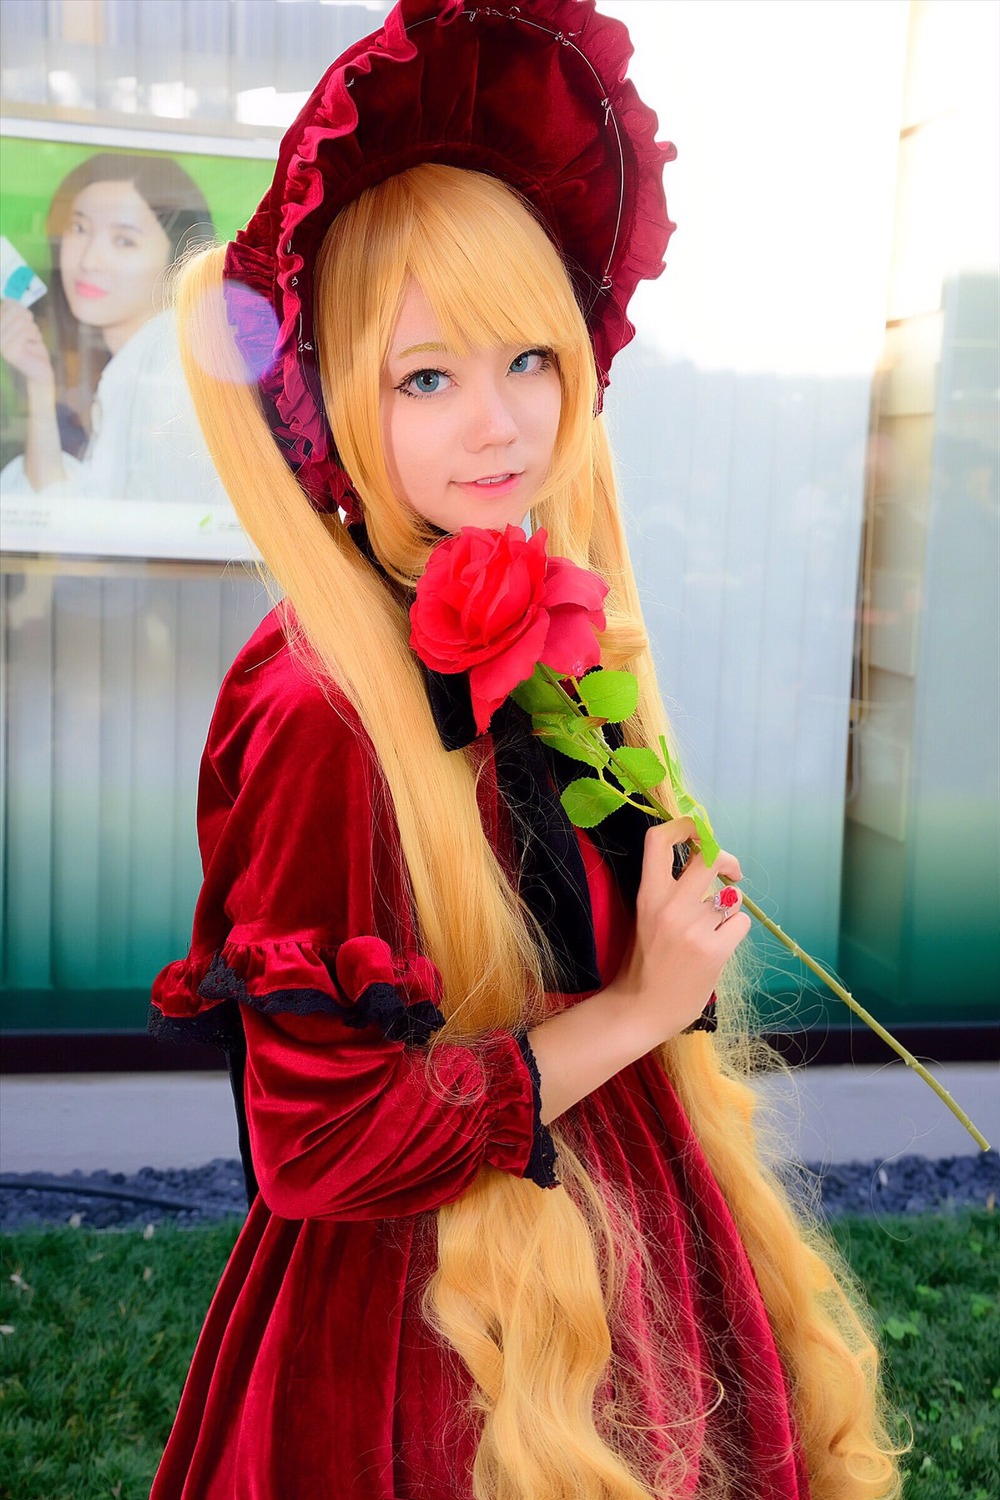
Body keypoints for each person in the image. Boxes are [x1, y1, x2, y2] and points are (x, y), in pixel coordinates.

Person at [149, 3, 903, 1496]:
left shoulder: (540, 620)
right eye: (426, 378)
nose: (500, 428)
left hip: (631, 1246)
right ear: (335, 403)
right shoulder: (321, 707)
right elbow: (321, 1145)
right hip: (432, 1340)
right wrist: (638, 1007)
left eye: (529, 361)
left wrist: (656, 904)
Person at [0, 152, 221, 503]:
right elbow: (72, 516)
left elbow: (159, 538)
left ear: (180, 260)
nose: (88, 261)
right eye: (79, 228)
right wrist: (40, 388)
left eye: (124, 240)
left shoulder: (168, 374)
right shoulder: (137, 368)